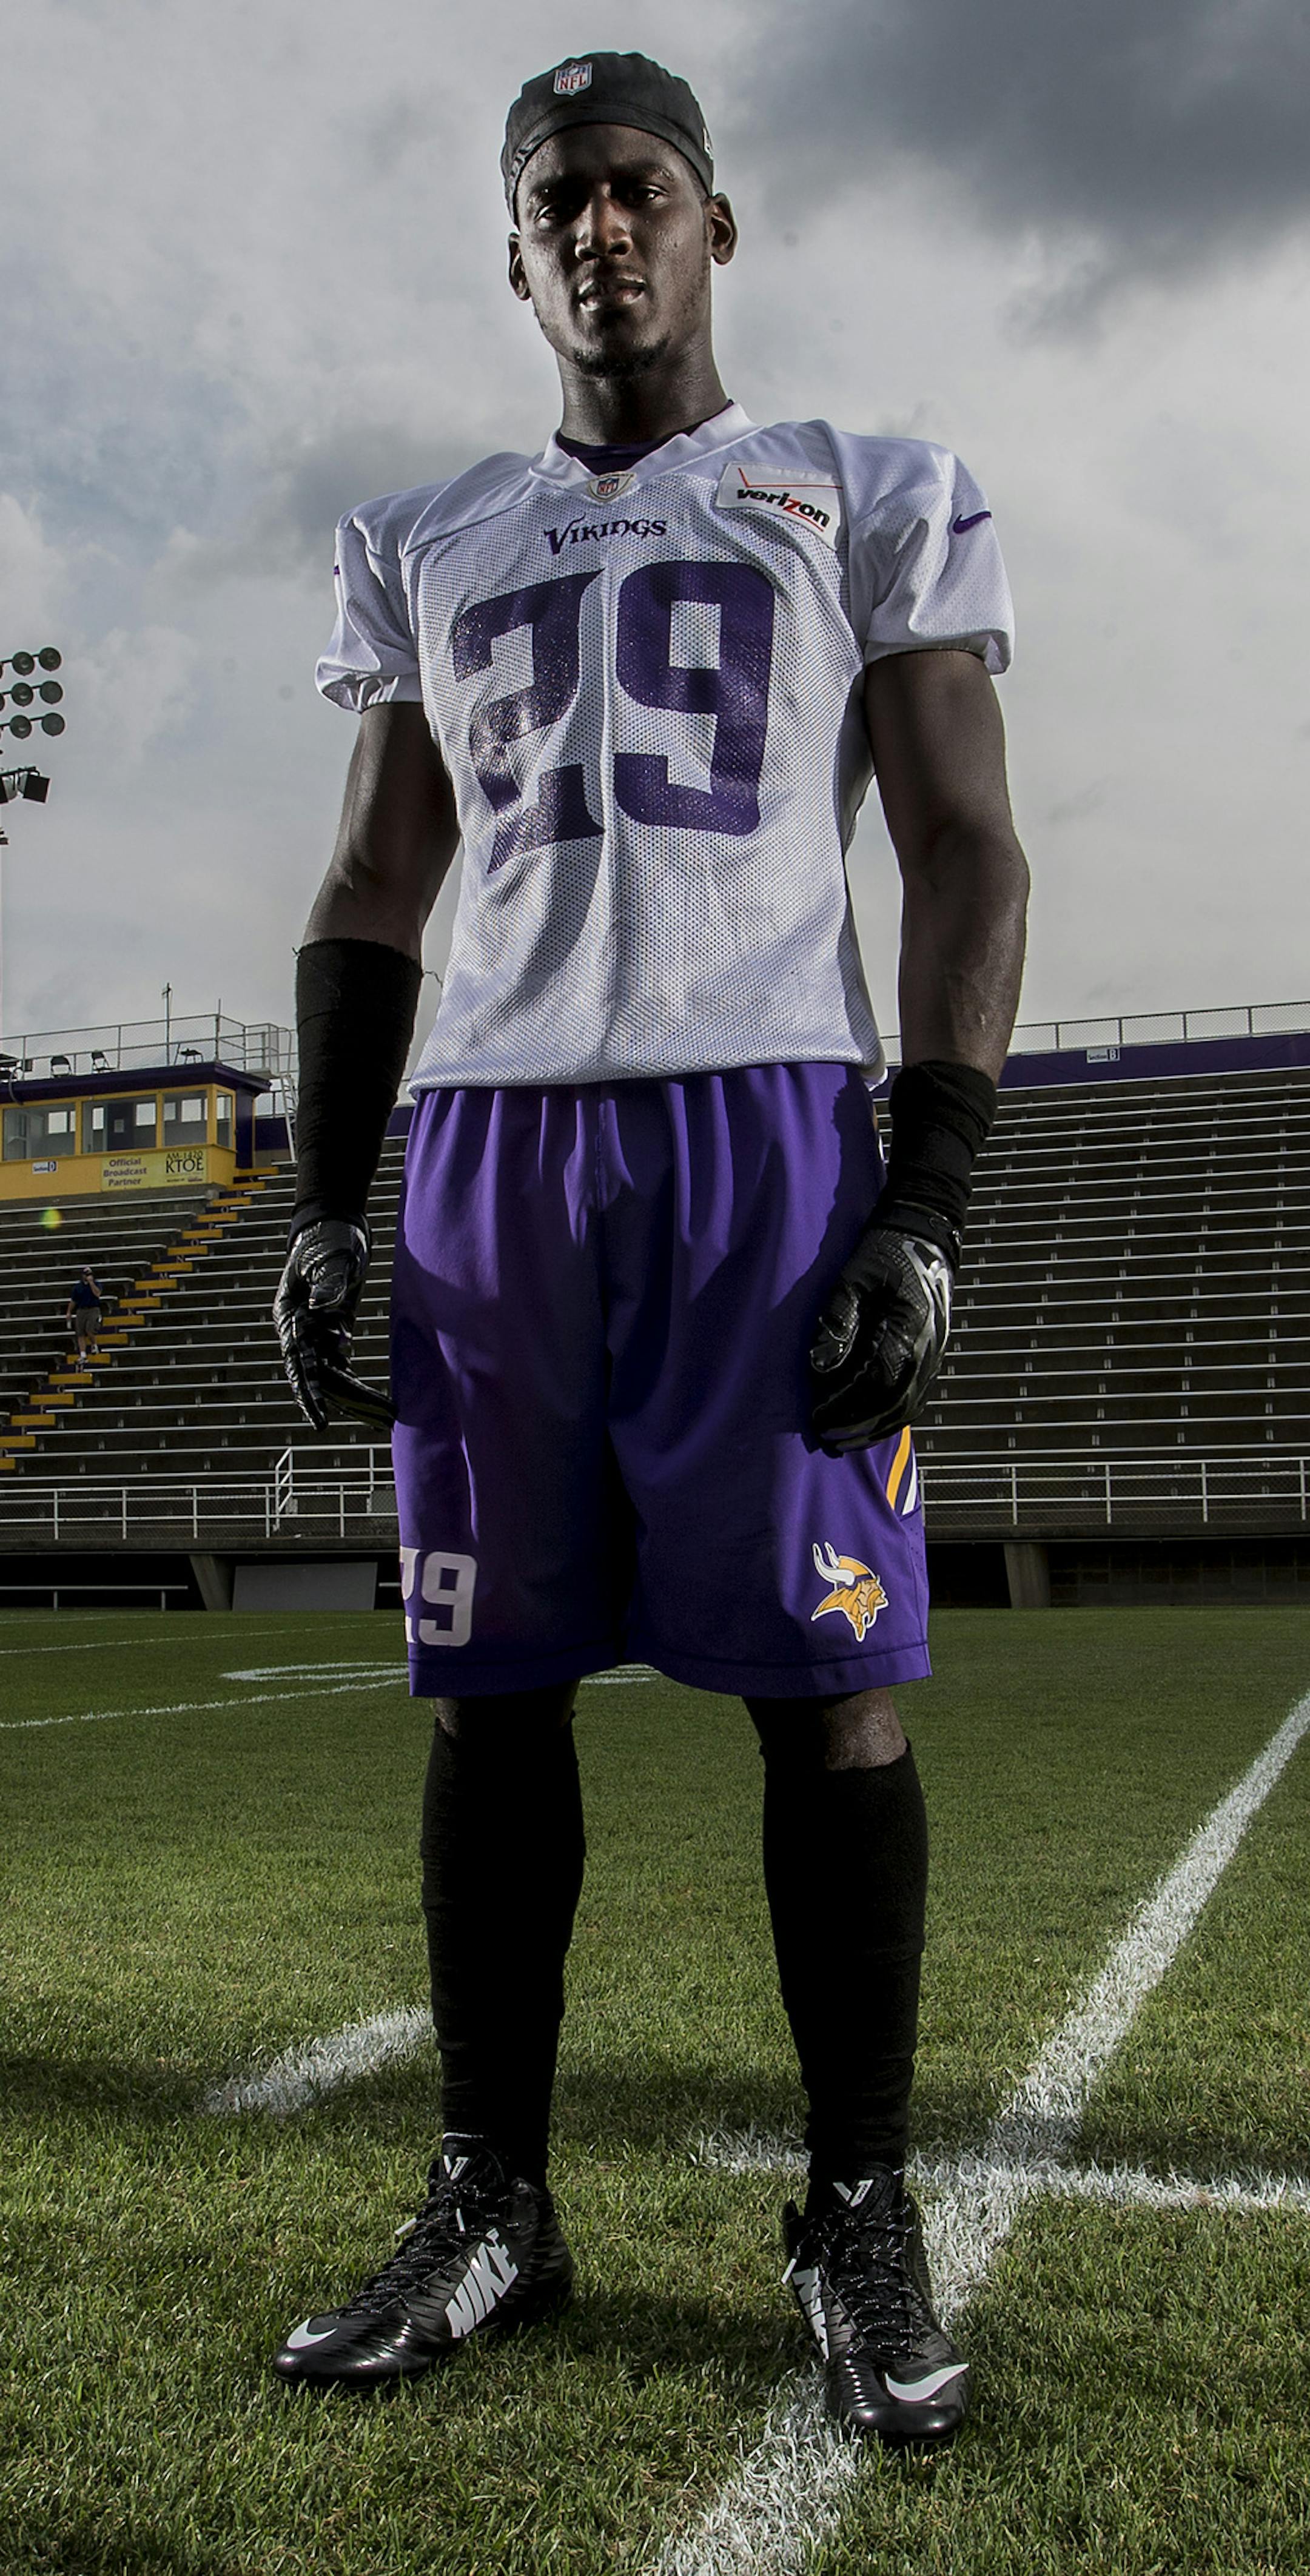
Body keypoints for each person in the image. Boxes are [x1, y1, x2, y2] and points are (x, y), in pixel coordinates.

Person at [271, 51, 1028, 2444]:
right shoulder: (424, 531)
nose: (600, 228)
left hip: (767, 1130)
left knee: (833, 1687)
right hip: (495, 1153)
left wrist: (930, 1194)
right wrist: (316, 1203)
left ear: (716, 225)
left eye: (637, 188)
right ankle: (496, 2192)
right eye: (555, 200)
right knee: (488, 1702)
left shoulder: (869, 487)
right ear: (514, 256)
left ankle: (856, 2205)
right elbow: (380, 887)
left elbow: (967, 852)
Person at [65, 1266, 105, 1360]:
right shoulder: (78, 1287)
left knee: (89, 1329)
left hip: (93, 1309)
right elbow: (74, 1300)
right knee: (80, 1332)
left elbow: (98, 1294)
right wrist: (69, 1312)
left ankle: (94, 1345)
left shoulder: (96, 1284)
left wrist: (91, 1284)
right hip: (82, 1310)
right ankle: (83, 1353)